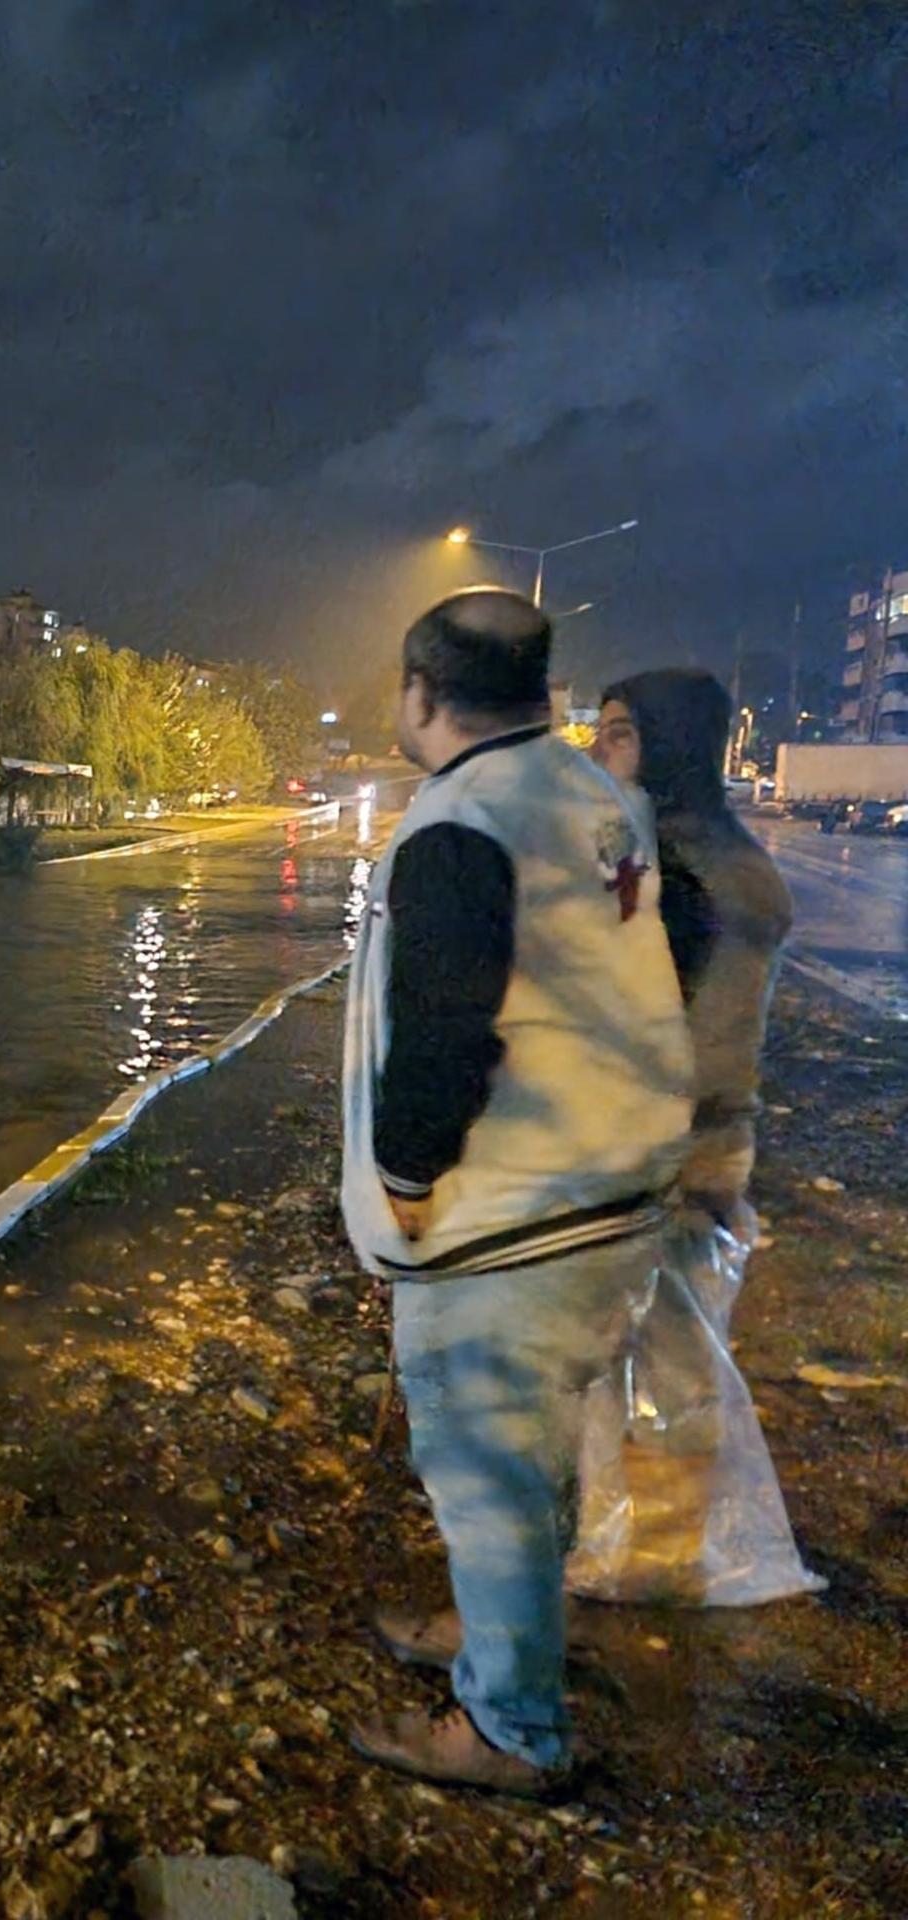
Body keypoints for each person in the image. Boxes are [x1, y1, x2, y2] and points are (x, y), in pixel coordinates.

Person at [340, 588, 694, 1793]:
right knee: (527, 1459)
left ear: (419, 693)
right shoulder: (600, 796)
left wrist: (399, 1184)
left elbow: (440, 1032)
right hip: (616, 1193)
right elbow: (671, 941)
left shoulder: (462, 822)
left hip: (511, 1217)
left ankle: (509, 1731)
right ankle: (494, 1626)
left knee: (487, 1468)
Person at [579, 670, 797, 1591]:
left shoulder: (673, 870)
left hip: (660, 1144)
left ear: (667, 748)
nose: (600, 751)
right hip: (705, 1139)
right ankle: (654, 1547)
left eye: (621, 734)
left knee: (638, 1353)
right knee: (675, 1354)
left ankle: (637, 1561)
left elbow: (624, 1012)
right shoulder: (727, 856)